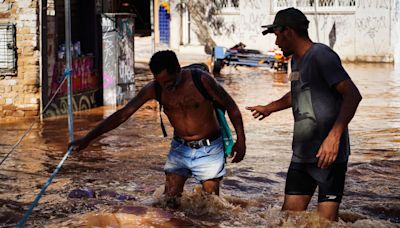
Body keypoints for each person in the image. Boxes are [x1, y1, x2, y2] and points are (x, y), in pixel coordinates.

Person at [69, 50, 246, 207]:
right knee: (169, 201)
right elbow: (123, 115)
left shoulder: (201, 80)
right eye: (160, 82)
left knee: (211, 206)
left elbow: (231, 107)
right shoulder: (155, 88)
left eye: (168, 82)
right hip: (180, 148)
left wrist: (241, 141)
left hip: (209, 149)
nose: (165, 87)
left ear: (178, 69)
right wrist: (88, 138)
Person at [247, 7, 362, 221]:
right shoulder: (296, 60)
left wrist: (334, 138)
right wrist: (269, 107)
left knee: (325, 223)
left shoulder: (321, 55)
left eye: (277, 35)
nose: (276, 43)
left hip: (328, 155)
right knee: (286, 220)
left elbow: (353, 94)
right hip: (302, 154)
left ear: (288, 31)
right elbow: (297, 93)